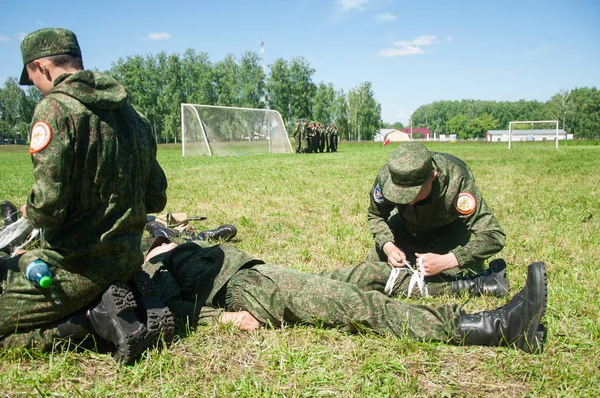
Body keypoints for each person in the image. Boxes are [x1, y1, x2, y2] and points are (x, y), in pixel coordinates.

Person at [0, 28, 171, 364]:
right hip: (126, 258)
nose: (36, 86)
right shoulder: (134, 116)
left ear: (43, 67)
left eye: (33, 77)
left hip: (75, 268)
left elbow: (48, 209)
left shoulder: (56, 110)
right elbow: (156, 198)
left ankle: (91, 321)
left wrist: (31, 210)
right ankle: (114, 297)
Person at [142, 237, 547, 354]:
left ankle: (476, 285)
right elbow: (172, 312)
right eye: (153, 235)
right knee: (359, 304)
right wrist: (223, 320)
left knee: (370, 273)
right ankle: (497, 328)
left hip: (264, 274)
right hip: (250, 290)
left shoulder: (174, 244)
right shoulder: (151, 268)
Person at [367, 142, 506, 278]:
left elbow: (493, 236)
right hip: (406, 226)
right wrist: (388, 246)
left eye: (414, 193)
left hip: (448, 229)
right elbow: (376, 215)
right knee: (372, 271)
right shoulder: (388, 176)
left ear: (433, 176)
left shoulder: (457, 182)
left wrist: (448, 260)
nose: (408, 202)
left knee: (441, 278)